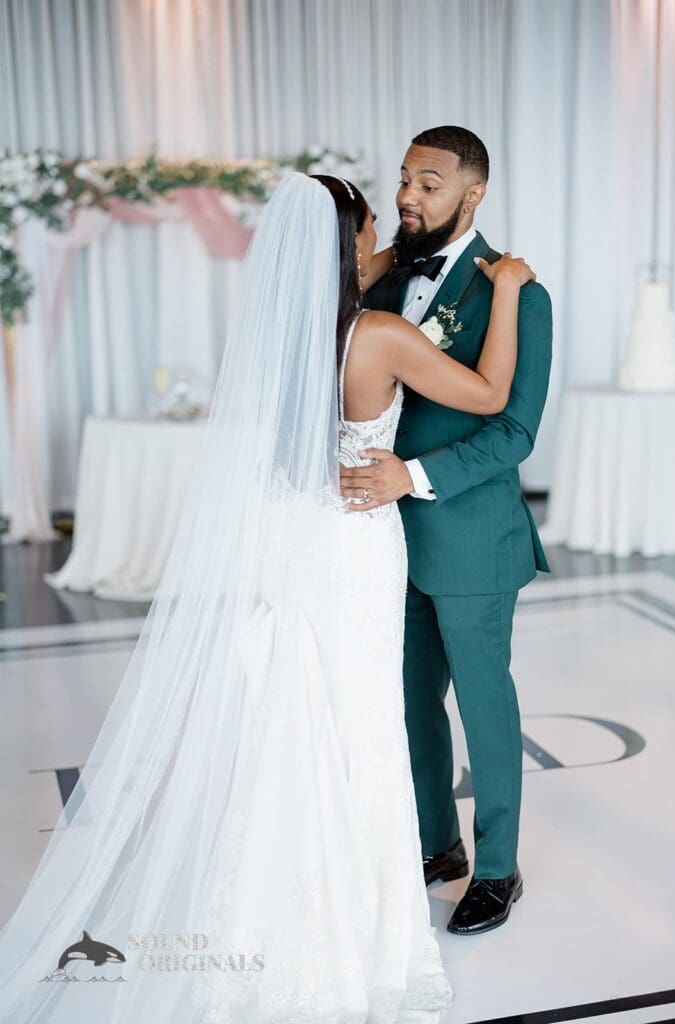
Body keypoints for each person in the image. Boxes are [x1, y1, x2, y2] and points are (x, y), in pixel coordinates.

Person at [0, 171, 534, 1023]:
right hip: (356, 538)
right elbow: (493, 397)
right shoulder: (380, 333)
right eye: (367, 226)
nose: (381, 238)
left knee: (293, 704)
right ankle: (348, 908)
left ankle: (268, 883)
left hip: (294, 536)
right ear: (349, 243)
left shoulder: (281, 334)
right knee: (356, 717)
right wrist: (504, 290)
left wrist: (380, 242)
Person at [342, 125, 553, 935]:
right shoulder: (384, 283)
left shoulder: (517, 293)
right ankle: (436, 845)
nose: (406, 196)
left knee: (482, 703)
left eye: (428, 183)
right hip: (384, 540)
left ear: (474, 192)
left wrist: (415, 477)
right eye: (402, 179)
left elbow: (515, 432)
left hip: (470, 537)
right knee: (407, 700)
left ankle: (497, 868)